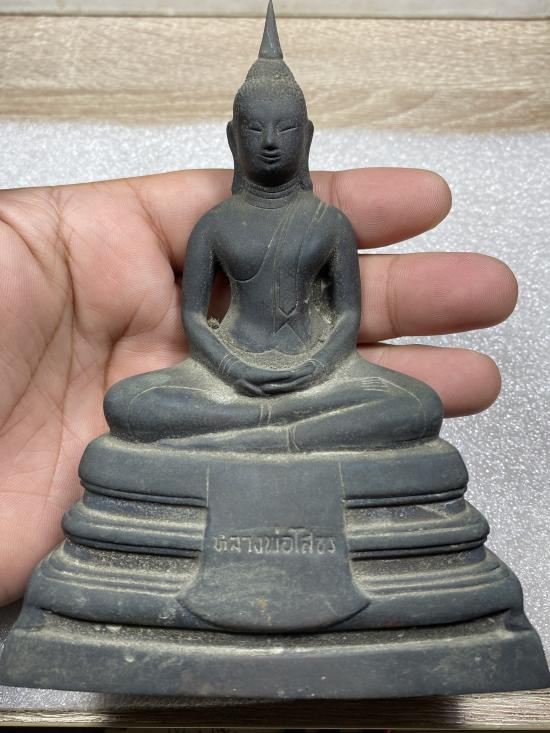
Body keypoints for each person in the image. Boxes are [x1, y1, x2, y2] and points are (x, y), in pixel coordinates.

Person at [0, 38, 517, 606]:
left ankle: (254, 436)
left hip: (319, 375)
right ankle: (290, 437)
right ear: (232, 138)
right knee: (127, 404)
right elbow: (195, 315)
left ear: (308, 136)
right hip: (228, 374)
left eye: (285, 128)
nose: (270, 141)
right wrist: (231, 369)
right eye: (255, 129)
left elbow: (347, 314)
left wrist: (319, 365)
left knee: (417, 405)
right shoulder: (215, 224)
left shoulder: (329, 223)